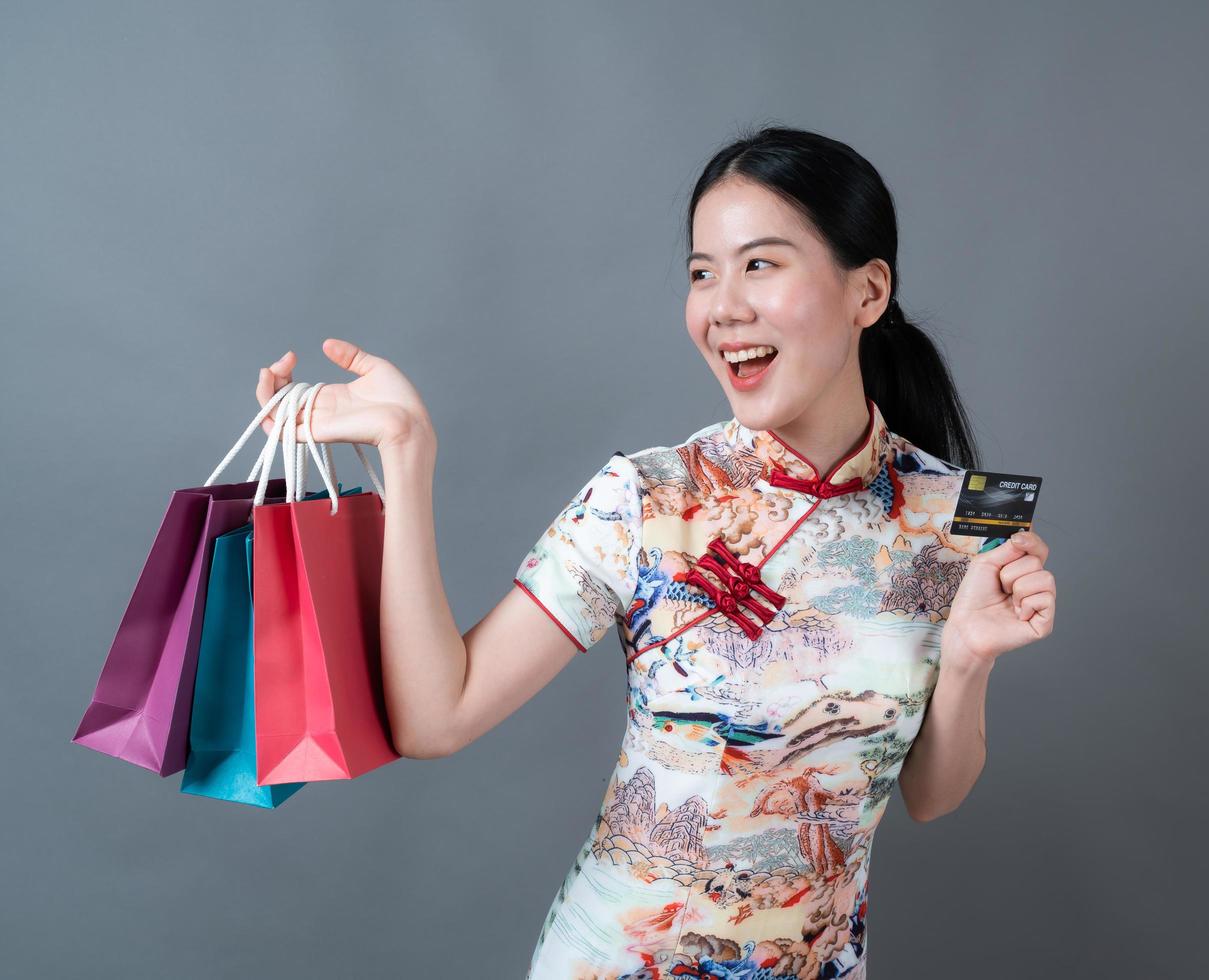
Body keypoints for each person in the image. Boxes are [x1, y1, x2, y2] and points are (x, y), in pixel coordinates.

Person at [254, 125, 1058, 979]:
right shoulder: (646, 499)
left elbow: (930, 797)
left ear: (869, 291)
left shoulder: (959, 516)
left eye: (760, 264)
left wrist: (967, 657)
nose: (722, 306)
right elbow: (434, 717)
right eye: (702, 272)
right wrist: (407, 455)